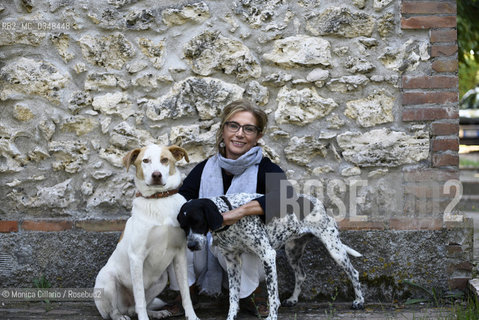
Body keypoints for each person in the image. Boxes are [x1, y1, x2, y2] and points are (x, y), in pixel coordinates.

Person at [164, 99, 288, 317]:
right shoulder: (205, 169)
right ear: (223, 130)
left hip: (246, 250)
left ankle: (250, 294)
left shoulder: (266, 169)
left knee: (240, 242)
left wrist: (238, 213)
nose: (239, 134)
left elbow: (284, 198)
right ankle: (187, 293)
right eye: (234, 126)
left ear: (258, 136)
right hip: (206, 243)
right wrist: (155, 197)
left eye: (248, 129)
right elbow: (182, 200)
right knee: (175, 234)